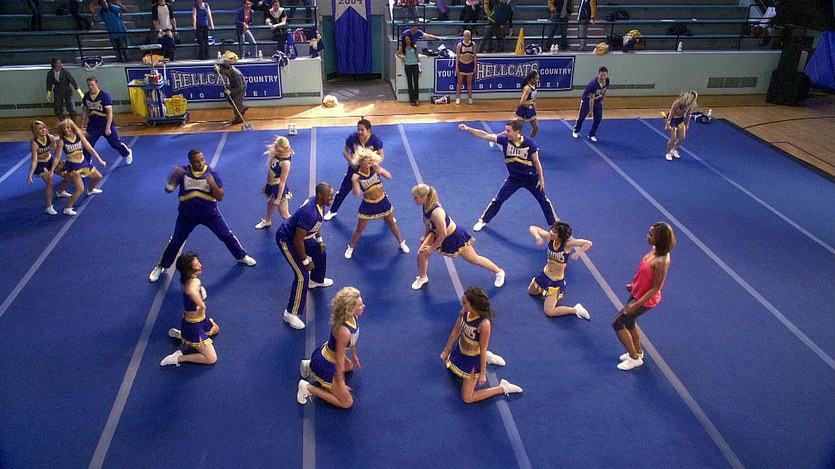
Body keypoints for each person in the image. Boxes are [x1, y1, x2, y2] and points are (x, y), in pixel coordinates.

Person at [148, 149, 256, 283]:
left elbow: (220, 196)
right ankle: (161, 266)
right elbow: (168, 189)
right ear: (190, 162)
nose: (200, 163)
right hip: (186, 216)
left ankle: (241, 256)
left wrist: (212, 184)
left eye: (202, 160)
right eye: (196, 161)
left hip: (210, 214)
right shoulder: (182, 172)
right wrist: (172, 178)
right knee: (176, 241)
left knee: (227, 235)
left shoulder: (212, 174)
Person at [458, 120, 557, 232]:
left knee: (544, 201)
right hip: (514, 179)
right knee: (498, 200)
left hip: (531, 179)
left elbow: (536, 161)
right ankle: (483, 220)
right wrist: (468, 129)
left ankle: (553, 224)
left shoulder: (529, 143)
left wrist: (541, 179)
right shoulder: (505, 141)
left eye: (508, 131)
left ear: (517, 132)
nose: (505, 132)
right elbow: (484, 135)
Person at [411, 184, 504, 290]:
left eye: (416, 198)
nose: (414, 200)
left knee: (473, 259)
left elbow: (443, 234)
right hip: (435, 233)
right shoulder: (426, 206)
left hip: (453, 236)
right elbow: (428, 223)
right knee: (421, 254)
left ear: (424, 197)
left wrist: (432, 249)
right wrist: (426, 235)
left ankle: (499, 272)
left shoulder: (436, 213)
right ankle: (423, 278)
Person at [441, 286, 523, 403]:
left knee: (467, 398)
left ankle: (502, 387)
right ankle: (487, 358)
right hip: (460, 351)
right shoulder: (464, 312)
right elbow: (456, 331)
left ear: (474, 305)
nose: (462, 304)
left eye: (465, 302)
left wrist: (483, 373)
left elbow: (483, 348)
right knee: (450, 370)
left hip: (473, 358)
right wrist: (446, 350)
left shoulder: (484, 324)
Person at [613, 222, 676, 371]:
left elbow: (655, 288)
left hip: (645, 300)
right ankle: (638, 351)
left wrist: (636, 304)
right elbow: (644, 272)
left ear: (660, 239)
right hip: (638, 292)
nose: (647, 236)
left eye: (651, 235)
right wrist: (634, 284)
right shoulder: (654, 250)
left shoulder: (661, 261)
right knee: (629, 323)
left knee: (617, 323)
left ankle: (634, 358)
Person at [276, 182, 334, 330]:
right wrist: (305, 261)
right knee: (302, 275)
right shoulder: (310, 212)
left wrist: (319, 241)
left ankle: (316, 280)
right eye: (329, 196)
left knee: (320, 252)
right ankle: (290, 313)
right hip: (287, 240)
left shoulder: (319, 204)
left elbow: (316, 225)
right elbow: (298, 240)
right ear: (320, 195)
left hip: (302, 238)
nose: (331, 198)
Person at [297, 286, 364, 407]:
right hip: (326, 362)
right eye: (359, 305)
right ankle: (306, 387)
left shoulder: (353, 317)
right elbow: (339, 361)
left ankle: (310, 365)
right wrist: (341, 383)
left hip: (329, 353)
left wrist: (354, 355)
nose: (363, 306)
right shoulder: (344, 331)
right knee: (347, 403)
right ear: (350, 309)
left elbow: (353, 339)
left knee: (349, 366)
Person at [344, 148, 409, 260]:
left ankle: (401, 243)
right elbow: (357, 194)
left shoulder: (375, 169)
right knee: (360, 228)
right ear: (360, 162)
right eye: (366, 163)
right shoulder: (357, 176)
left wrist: (381, 170)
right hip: (368, 204)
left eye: (369, 162)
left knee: (391, 222)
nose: (368, 165)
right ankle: (351, 247)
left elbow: (389, 176)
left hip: (382, 201)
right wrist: (354, 182)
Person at [160, 252, 221, 367]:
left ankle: (184, 335)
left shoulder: (189, 280)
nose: (200, 265)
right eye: (197, 265)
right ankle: (179, 357)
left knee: (216, 329)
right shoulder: (193, 283)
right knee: (211, 358)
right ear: (189, 269)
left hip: (201, 320)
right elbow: (191, 291)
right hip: (194, 325)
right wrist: (202, 305)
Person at [527, 222, 592, 319]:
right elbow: (533, 228)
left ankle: (575, 309)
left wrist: (578, 253)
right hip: (544, 275)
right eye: (552, 230)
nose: (551, 232)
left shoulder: (567, 245)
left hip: (555, 281)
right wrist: (538, 237)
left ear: (561, 236)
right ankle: (544, 289)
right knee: (531, 292)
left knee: (549, 311)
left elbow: (588, 243)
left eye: (555, 232)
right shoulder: (550, 238)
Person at [324, 118, 384, 221]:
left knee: (377, 192)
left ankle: (386, 214)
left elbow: (381, 155)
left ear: (369, 130)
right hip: (354, 169)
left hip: (369, 171)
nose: (359, 132)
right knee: (342, 191)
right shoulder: (353, 138)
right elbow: (345, 151)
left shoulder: (375, 141)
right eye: (358, 129)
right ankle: (332, 211)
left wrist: (374, 164)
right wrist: (351, 161)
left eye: (362, 130)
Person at [54, 118, 106, 216]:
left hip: (83, 162)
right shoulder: (62, 141)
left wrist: (100, 160)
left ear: (72, 127)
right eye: (64, 128)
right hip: (72, 166)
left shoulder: (79, 136)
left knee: (98, 177)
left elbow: (90, 148)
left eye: (68, 127)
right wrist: (52, 169)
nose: (66, 130)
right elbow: (57, 156)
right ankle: (67, 208)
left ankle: (90, 190)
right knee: (80, 189)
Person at [81, 77, 133, 165]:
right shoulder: (86, 96)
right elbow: (85, 111)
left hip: (105, 123)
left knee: (115, 143)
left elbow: (109, 113)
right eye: (89, 85)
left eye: (92, 85)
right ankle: (87, 162)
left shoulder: (105, 96)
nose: (90, 87)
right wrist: (82, 126)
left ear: (97, 84)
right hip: (93, 125)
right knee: (88, 144)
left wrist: (108, 128)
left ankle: (127, 152)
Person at [255, 136, 293, 229]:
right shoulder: (277, 153)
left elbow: (282, 182)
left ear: (283, 148)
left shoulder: (285, 163)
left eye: (277, 146)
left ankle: (296, 227)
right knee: (270, 203)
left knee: (284, 213)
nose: (275, 147)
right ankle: (267, 221)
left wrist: (279, 199)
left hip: (277, 188)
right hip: (271, 186)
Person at [27, 120, 60, 215]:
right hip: (40, 164)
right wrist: (30, 175)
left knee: (66, 174)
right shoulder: (34, 143)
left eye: (44, 127)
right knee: (50, 183)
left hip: (49, 159)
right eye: (40, 129)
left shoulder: (51, 137)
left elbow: (56, 151)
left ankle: (61, 191)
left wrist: (59, 162)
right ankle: (49, 207)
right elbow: (34, 160)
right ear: (35, 131)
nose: (43, 130)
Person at [572, 66, 608, 142]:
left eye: (604, 75)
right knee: (582, 117)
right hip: (587, 100)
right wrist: (590, 111)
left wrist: (602, 101)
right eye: (601, 75)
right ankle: (576, 130)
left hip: (598, 100)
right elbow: (591, 99)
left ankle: (592, 134)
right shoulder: (593, 84)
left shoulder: (607, 81)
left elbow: (604, 91)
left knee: (598, 118)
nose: (603, 77)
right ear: (598, 75)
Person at [664, 90, 698, 161]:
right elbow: (671, 114)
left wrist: (687, 124)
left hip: (680, 120)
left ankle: (673, 150)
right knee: (673, 138)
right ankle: (668, 153)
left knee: (682, 137)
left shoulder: (690, 105)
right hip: (673, 119)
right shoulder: (677, 103)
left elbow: (688, 115)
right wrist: (667, 125)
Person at [396, 35, 421, 107]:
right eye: (406, 39)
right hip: (407, 66)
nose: (408, 41)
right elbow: (397, 53)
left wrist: (420, 66)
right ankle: (412, 100)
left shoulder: (415, 47)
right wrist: (401, 57)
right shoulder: (403, 48)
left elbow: (417, 57)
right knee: (409, 83)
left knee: (416, 83)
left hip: (415, 65)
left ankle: (416, 99)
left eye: (408, 39)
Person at [454, 30, 477, 106]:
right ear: (463, 36)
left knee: (469, 83)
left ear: (470, 36)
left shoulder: (473, 45)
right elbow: (457, 57)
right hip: (461, 64)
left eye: (468, 36)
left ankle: (470, 97)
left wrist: (475, 67)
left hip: (470, 65)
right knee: (459, 82)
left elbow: (475, 56)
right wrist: (456, 67)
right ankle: (458, 97)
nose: (467, 37)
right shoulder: (459, 45)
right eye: (465, 36)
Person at [516, 70, 539, 138]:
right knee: (517, 130)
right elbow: (522, 102)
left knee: (535, 127)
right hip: (524, 110)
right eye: (536, 78)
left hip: (530, 109)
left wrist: (532, 104)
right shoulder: (527, 88)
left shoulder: (534, 86)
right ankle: (497, 136)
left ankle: (530, 141)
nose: (538, 80)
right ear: (532, 79)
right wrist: (531, 103)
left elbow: (532, 97)